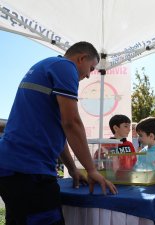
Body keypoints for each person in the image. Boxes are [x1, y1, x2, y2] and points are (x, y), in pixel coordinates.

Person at [0, 41, 117, 225]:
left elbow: (59, 129)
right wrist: (91, 170)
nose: (87, 75)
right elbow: (72, 123)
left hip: (15, 166)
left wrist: (72, 169)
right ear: (81, 58)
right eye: (91, 68)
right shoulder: (65, 67)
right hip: (28, 168)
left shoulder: (48, 66)